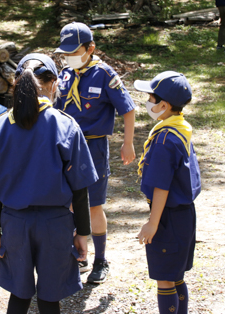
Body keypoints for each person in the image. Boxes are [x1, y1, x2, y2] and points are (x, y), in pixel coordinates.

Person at [0, 53, 99, 314]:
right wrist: (82, 233)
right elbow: (80, 189)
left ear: (16, 84)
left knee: (19, 295)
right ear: (54, 84)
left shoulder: (0, 126)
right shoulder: (65, 125)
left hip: (14, 223)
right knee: (49, 298)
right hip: (55, 225)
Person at [54, 22, 136, 283]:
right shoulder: (66, 74)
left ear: (90, 48)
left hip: (93, 146)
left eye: (74, 51)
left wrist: (128, 142)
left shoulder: (104, 74)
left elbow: (128, 109)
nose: (69, 57)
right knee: (67, 203)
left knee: (93, 205)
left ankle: (101, 259)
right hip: (67, 146)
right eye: (65, 53)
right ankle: (79, 255)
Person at [134, 71, 201, 314]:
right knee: (176, 275)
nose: (148, 102)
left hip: (168, 216)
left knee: (165, 278)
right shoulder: (180, 128)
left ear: (163, 104)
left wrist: (153, 224)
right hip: (184, 215)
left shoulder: (164, 140)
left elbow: (161, 186)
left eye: (151, 98)